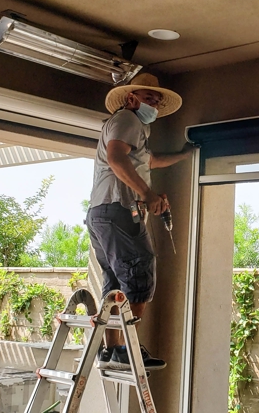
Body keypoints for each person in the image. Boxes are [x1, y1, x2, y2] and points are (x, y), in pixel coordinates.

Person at [87, 72, 192, 371]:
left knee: (116, 284)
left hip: (102, 213)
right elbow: (116, 159)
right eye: (149, 98)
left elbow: (149, 160)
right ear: (131, 98)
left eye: (157, 100)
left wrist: (183, 157)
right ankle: (125, 347)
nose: (154, 104)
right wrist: (146, 192)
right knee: (140, 271)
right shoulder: (127, 120)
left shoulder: (131, 127)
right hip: (118, 210)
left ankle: (112, 349)